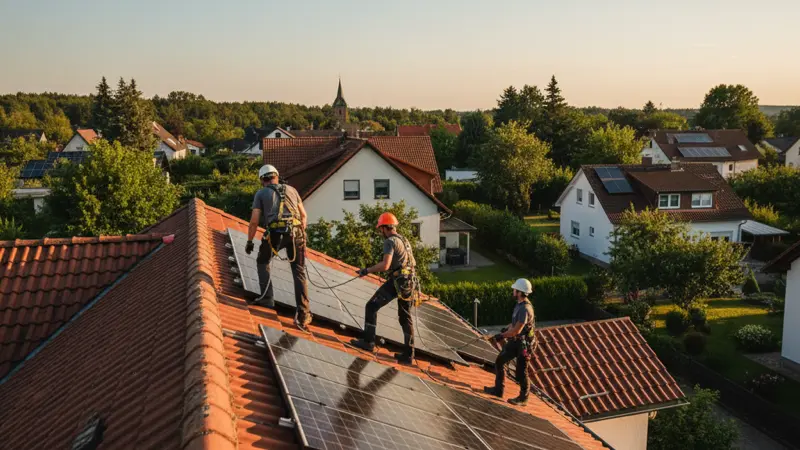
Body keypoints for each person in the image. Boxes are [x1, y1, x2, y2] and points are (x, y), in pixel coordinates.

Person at [245, 164, 311, 329]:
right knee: (299, 271)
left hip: (275, 234)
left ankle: (267, 298)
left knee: (263, 261)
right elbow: (304, 216)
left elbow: (254, 221)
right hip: (296, 233)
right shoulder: (292, 190)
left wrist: (250, 241)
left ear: (262, 180)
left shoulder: (261, 193)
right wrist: (302, 234)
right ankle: (303, 314)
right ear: (276, 176)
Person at [350, 212, 418, 364]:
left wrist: (366, 271)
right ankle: (408, 355)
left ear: (384, 228)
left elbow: (385, 265)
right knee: (405, 317)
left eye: (380, 229)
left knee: (371, 306)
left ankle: (368, 342)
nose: (380, 232)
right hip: (409, 281)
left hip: (398, 281)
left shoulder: (390, 242)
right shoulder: (404, 239)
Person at [484, 278, 535, 406]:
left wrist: (502, 335)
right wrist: (506, 328)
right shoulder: (519, 305)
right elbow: (514, 324)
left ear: (519, 292)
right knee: (500, 361)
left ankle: (524, 398)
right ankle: (498, 390)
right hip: (516, 341)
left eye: (515, 289)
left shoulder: (525, 309)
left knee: (521, 372)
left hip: (524, 345)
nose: (513, 291)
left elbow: (517, 330)